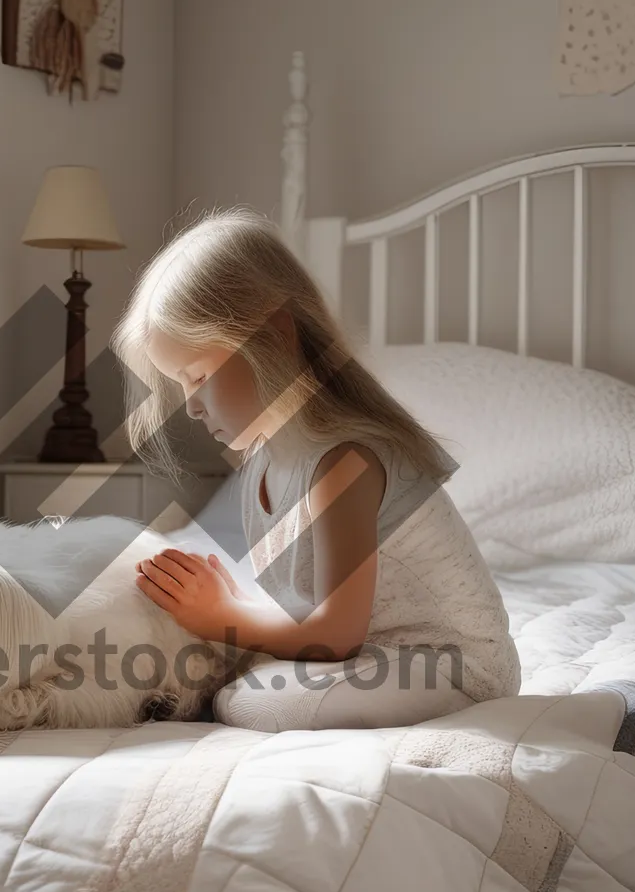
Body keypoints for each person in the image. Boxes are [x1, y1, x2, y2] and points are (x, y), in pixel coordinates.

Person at [111, 207, 521, 729]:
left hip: (453, 668)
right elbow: (306, 607)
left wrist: (222, 617)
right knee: (239, 677)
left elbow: (335, 634)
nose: (191, 406)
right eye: (181, 384)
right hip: (372, 659)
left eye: (199, 376)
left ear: (276, 336)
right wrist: (233, 604)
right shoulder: (265, 461)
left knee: (246, 699)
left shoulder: (344, 461)